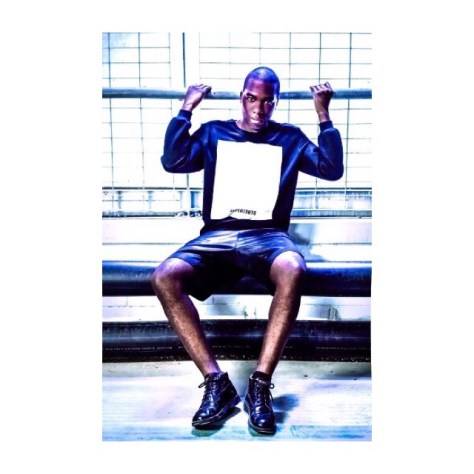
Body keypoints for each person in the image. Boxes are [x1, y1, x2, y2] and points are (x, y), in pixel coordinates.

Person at [152, 66, 343, 435]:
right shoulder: (213, 132)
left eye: (268, 101)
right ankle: (216, 383)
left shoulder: (289, 138)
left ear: (276, 102)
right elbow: (173, 161)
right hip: (217, 236)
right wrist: (186, 110)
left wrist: (323, 113)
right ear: (242, 97)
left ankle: (260, 384)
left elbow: (331, 169)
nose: (259, 108)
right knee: (164, 276)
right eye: (252, 99)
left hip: (267, 236)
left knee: (293, 267)